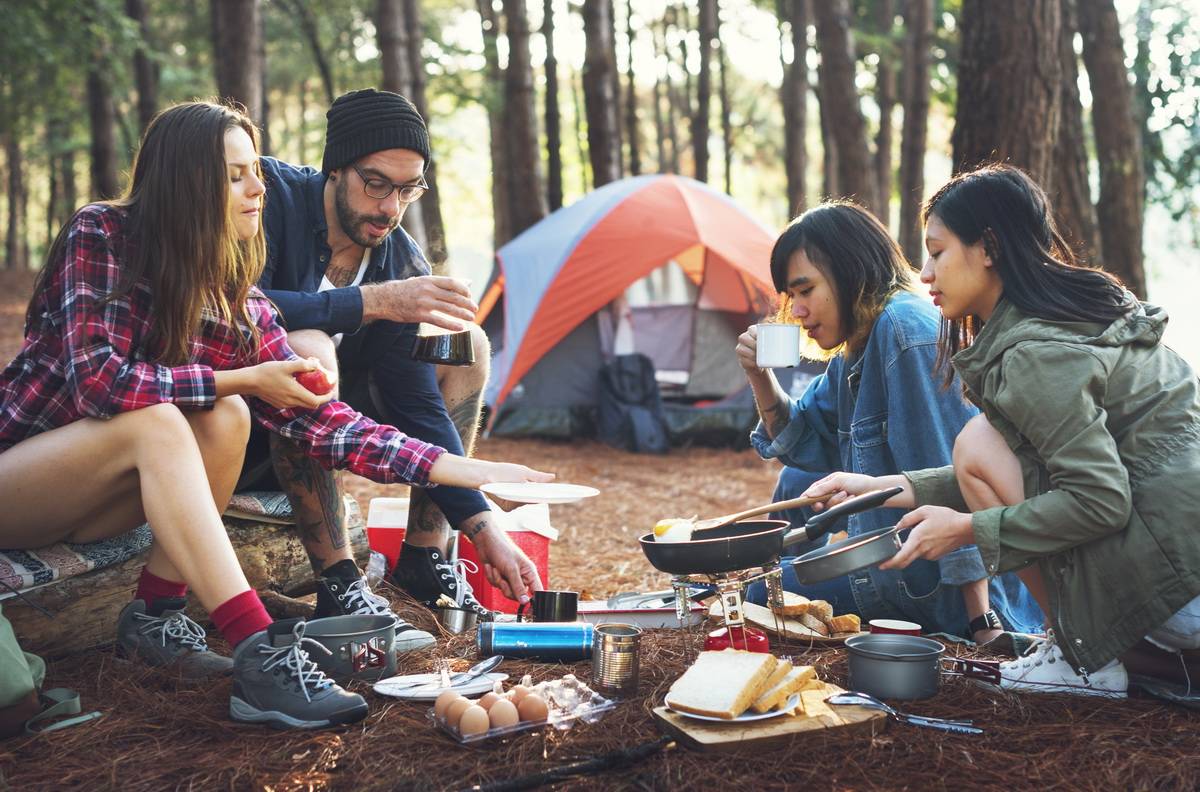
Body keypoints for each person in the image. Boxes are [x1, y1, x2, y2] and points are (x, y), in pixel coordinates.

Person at [0, 101, 551, 728]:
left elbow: (320, 420)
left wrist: (455, 469)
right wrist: (243, 377)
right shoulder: (102, 232)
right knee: (165, 417)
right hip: (22, 479)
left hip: (101, 500)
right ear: (186, 181)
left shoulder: (228, 284)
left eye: (253, 171)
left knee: (227, 415)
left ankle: (152, 620)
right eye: (236, 174)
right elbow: (99, 384)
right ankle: (260, 652)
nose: (257, 185)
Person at [804, 164, 1200, 698]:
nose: (924, 273)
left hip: (1182, 585)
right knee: (983, 444)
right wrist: (881, 489)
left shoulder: (1037, 353)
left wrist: (966, 530)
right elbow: (1025, 467)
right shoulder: (1066, 320)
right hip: (1179, 564)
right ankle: (1113, 655)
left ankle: (1085, 658)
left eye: (937, 252)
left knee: (978, 441)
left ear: (987, 247)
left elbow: (1101, 500)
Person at [243, 88, 534, 623]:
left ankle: (424, 554)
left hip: (339, 428)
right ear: (335, 169)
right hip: (235, 421)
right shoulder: (268, 200)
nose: (389, 208)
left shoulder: (399, 258)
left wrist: (483, 526)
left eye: (408, 190)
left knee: (465, 346)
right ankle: (339, 581)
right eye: (375, 184)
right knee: (308, 356)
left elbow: (417, 401)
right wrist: (369, 302)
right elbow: (230, 306)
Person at [737, 202, 1042, 643]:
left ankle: (775, 579)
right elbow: (800, 440)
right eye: (791, 297)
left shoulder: (904, 334)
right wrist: (759, 376)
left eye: (806, 290)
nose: (797, 311)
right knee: (796, 480)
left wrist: (981, 624)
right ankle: (776, 572)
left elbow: (956, 476)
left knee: (760, 595)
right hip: (896, 560)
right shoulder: (858, 346)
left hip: (934, 585)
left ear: (849, 271)